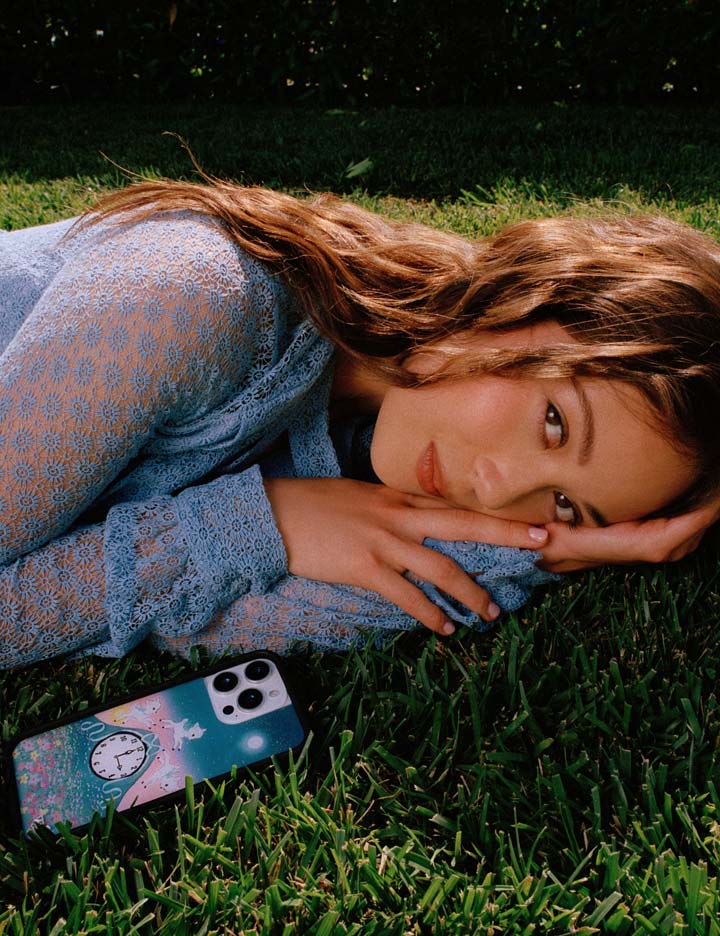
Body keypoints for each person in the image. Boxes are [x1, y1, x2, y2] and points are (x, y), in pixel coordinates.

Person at [1, 181, 719, 670]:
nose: (499, 492)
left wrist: (541, 550)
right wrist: (252, 522)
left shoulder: (364, 432)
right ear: (525, 295)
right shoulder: (193, 298)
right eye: (555, 424)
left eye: (562, 504)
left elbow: (209, 622)